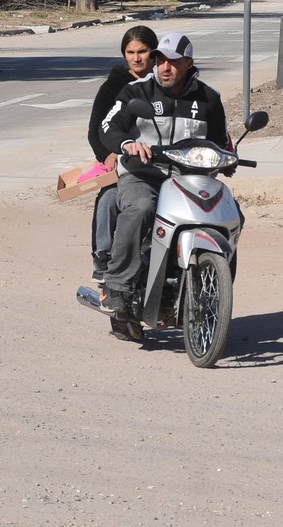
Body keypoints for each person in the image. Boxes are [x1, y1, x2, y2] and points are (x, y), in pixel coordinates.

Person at [99, 31, 230, 341]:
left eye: (172, 61)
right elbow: (109, 126)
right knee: (141, 207)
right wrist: (128, 143)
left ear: (188, 63)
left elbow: (221, 139)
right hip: (144, 174)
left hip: (190, 178)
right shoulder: (137, 91)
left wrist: (229, 157)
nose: (164, 67)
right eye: (160, 60)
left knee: (231, 213)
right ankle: (116, 285)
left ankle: (214, 286)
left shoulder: (208, 98)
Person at [85, 24, 157, 281]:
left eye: (143, 51)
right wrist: (109, 154)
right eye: (130, 52)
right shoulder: (114, 86)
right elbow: (96, 130)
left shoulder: (166, 82)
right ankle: (103, 257)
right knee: (110, 199)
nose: (136, 58)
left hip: (161, 160)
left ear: (154, 53)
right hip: (124, 160)